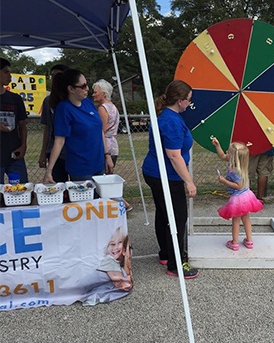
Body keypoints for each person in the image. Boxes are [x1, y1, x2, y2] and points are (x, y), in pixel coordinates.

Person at [142, 80, 199, 279]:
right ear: (180, 100)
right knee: (178, 217)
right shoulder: (171, 121)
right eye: (188, 100)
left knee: (164, 213)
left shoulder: (168, 115)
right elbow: (174, 156)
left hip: (155, 172)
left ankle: (166, 254)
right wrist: (189, 181)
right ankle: (176, 264)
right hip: (165, 175)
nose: (190, 104)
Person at [43, 69, 113, 184]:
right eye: (83, 86)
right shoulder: (64, 109)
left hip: (98, 163)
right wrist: (49, 170)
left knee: (101, 200)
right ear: (71, 89)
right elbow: (59, 141)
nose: (87, 89)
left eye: (87, 84)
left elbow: (99, 130)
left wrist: (107, 155)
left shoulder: (88, 102)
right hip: (81, 168)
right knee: (86, 201)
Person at [211, 137, 264, 250]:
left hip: (238, 198)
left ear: (233, 156)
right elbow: (222, 156)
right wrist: (217, 145)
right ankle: (249, 241)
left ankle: (234, 242)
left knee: (236, 220)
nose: (226, 153)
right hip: (246, 196)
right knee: (246, 218)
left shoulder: (235, 170)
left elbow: (239, 186)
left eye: (229, 152)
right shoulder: (237, 163)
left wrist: (224, 181)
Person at [92, 79, 132, 211]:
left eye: (95, 92)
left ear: (104, 94)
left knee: (103, 180)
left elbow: (101, 131)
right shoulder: (113, 107)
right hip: (113, 144)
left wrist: (104, 152)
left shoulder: (102, 109)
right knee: (108, 177)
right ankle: (120, 203)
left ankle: (122, 204)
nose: (93, 94)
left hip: (106, 145)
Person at [38, 64, 69, 182]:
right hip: (54, 151)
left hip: (72, 152)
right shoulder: (48, 101)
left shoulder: (73, 100)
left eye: (58, 75)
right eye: (52, 76)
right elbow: (47, 128)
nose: (54, 78)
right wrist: (43, 153)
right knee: (58, 185)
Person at [0, 57, 28, 184]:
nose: (10, 76)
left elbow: (22, 125)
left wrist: (23, 146)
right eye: (6, 72)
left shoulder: (15, 99)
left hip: (14, 154)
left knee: (22, 191)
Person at [96, 226, 133, 291]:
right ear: (106, 247)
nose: (116, 247)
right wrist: (125, 279)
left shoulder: (115, 262)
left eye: (120, 242)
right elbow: (113, 277)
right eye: (112, 244)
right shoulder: (109, 260)